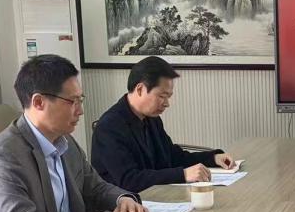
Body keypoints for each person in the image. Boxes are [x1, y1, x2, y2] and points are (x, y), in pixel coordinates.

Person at [0, 54, 152, 212]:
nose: (80, 111)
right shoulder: (3, 155)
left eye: (80, 100)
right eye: (72, 101)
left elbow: (95, 186)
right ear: (39, 102)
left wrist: (123, 199)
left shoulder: (65, 141)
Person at [91, 56, 236, 191]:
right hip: (123, 205)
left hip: (156, 196)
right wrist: (183, 174)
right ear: (140, 89)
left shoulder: (151, 118)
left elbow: (172, 156)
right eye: (162, 96)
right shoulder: (109, 127)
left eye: (168, 97)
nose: (167, 104)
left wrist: (212, 158)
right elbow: (129, 180)